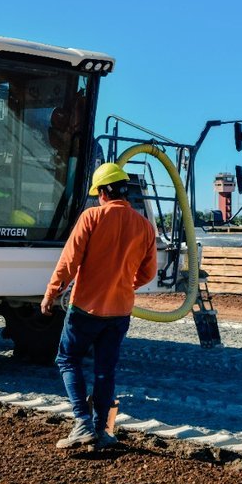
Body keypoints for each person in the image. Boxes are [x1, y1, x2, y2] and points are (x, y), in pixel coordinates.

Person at [41, 162, 158, 450]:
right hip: (120, 311)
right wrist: (125, 286)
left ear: (104, 191)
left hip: (86, 308)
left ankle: (82, 423)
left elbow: (70, 262)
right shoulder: (144, 226)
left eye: (98, 193)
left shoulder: (91, 217)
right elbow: (148, 273)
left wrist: (51, 293)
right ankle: (102, 431)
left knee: (68, 360)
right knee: (106, 370)